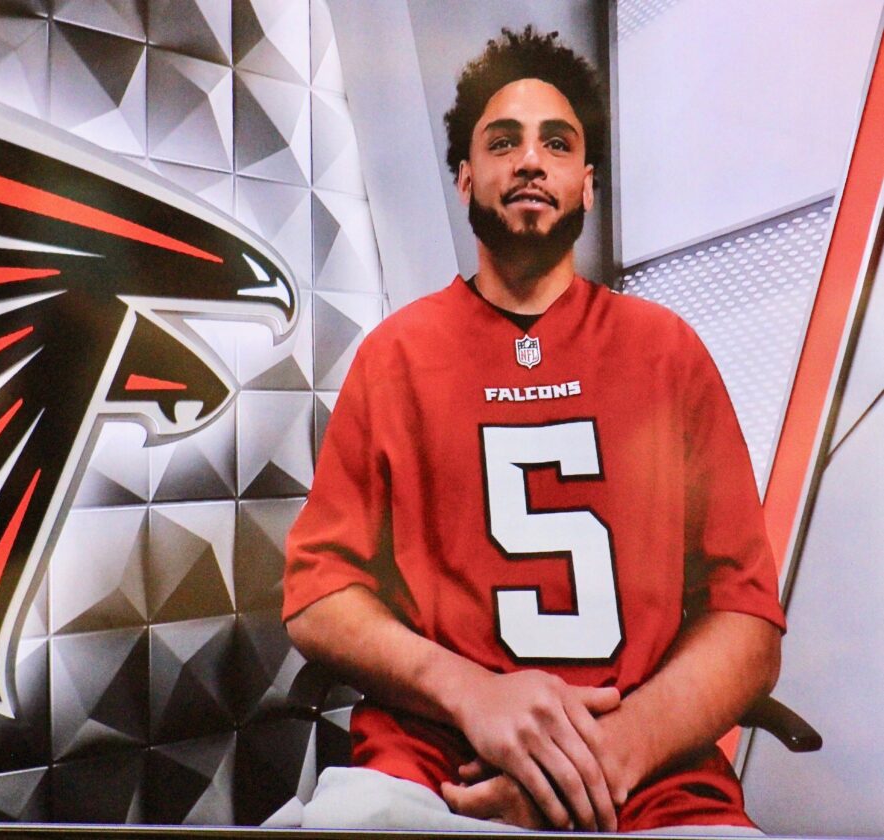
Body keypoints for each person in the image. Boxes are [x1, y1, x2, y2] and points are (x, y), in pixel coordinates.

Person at [280, 26, 785, 834]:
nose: (527, 160)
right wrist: (470, 694)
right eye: (501, 141)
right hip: (433, 769)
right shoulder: (396, 357)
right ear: (463, 177)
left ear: (587, 185)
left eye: (556, 143)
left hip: (647, 784)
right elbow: (318, 595)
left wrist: (600, 761)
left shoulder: (667, 352)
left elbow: (747, 621)